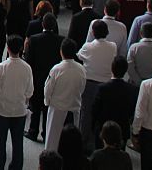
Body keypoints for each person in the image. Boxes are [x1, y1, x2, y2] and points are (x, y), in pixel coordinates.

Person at [0, 33, 34, 170]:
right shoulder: (27, 68)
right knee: (18, 142)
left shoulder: (1, 67)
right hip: (20, 110)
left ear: (7, 48)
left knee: (0, 142)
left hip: (3, 110)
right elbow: (30, 91)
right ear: (21, 48)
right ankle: (16, 166)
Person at [78, 20, 118, 150]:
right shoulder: (113, 46)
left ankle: (84, 142)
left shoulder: (88, 46)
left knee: (86, 114)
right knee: (102, 114)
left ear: (93, 32)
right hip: (107, 84)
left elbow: (79, 56)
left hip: (89, 83)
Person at [26, 13, 65, 142]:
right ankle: (45, 132)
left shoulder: (34, 39)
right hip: (53, 77)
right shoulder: (61, 40)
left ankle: (33, 131)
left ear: (42, 24)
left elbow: (29, 61)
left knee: (35, 106)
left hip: (37, 77)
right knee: (48, 106)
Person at [44, 38, 86, 152]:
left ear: (61, 51)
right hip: (74, 108)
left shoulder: (56, 69)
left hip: (57, 109)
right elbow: (82, 88)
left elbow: (48, 89)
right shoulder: (82, 69)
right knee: (71, 144)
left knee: (53, 141)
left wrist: (47, 102)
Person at [91, 58, 138, 146]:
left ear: (112, 68)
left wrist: (93, 126)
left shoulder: (102, 88)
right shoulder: (132, 90)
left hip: (103, 129)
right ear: (125, 71)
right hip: (122, 129)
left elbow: (95, 109)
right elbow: (132, 111)